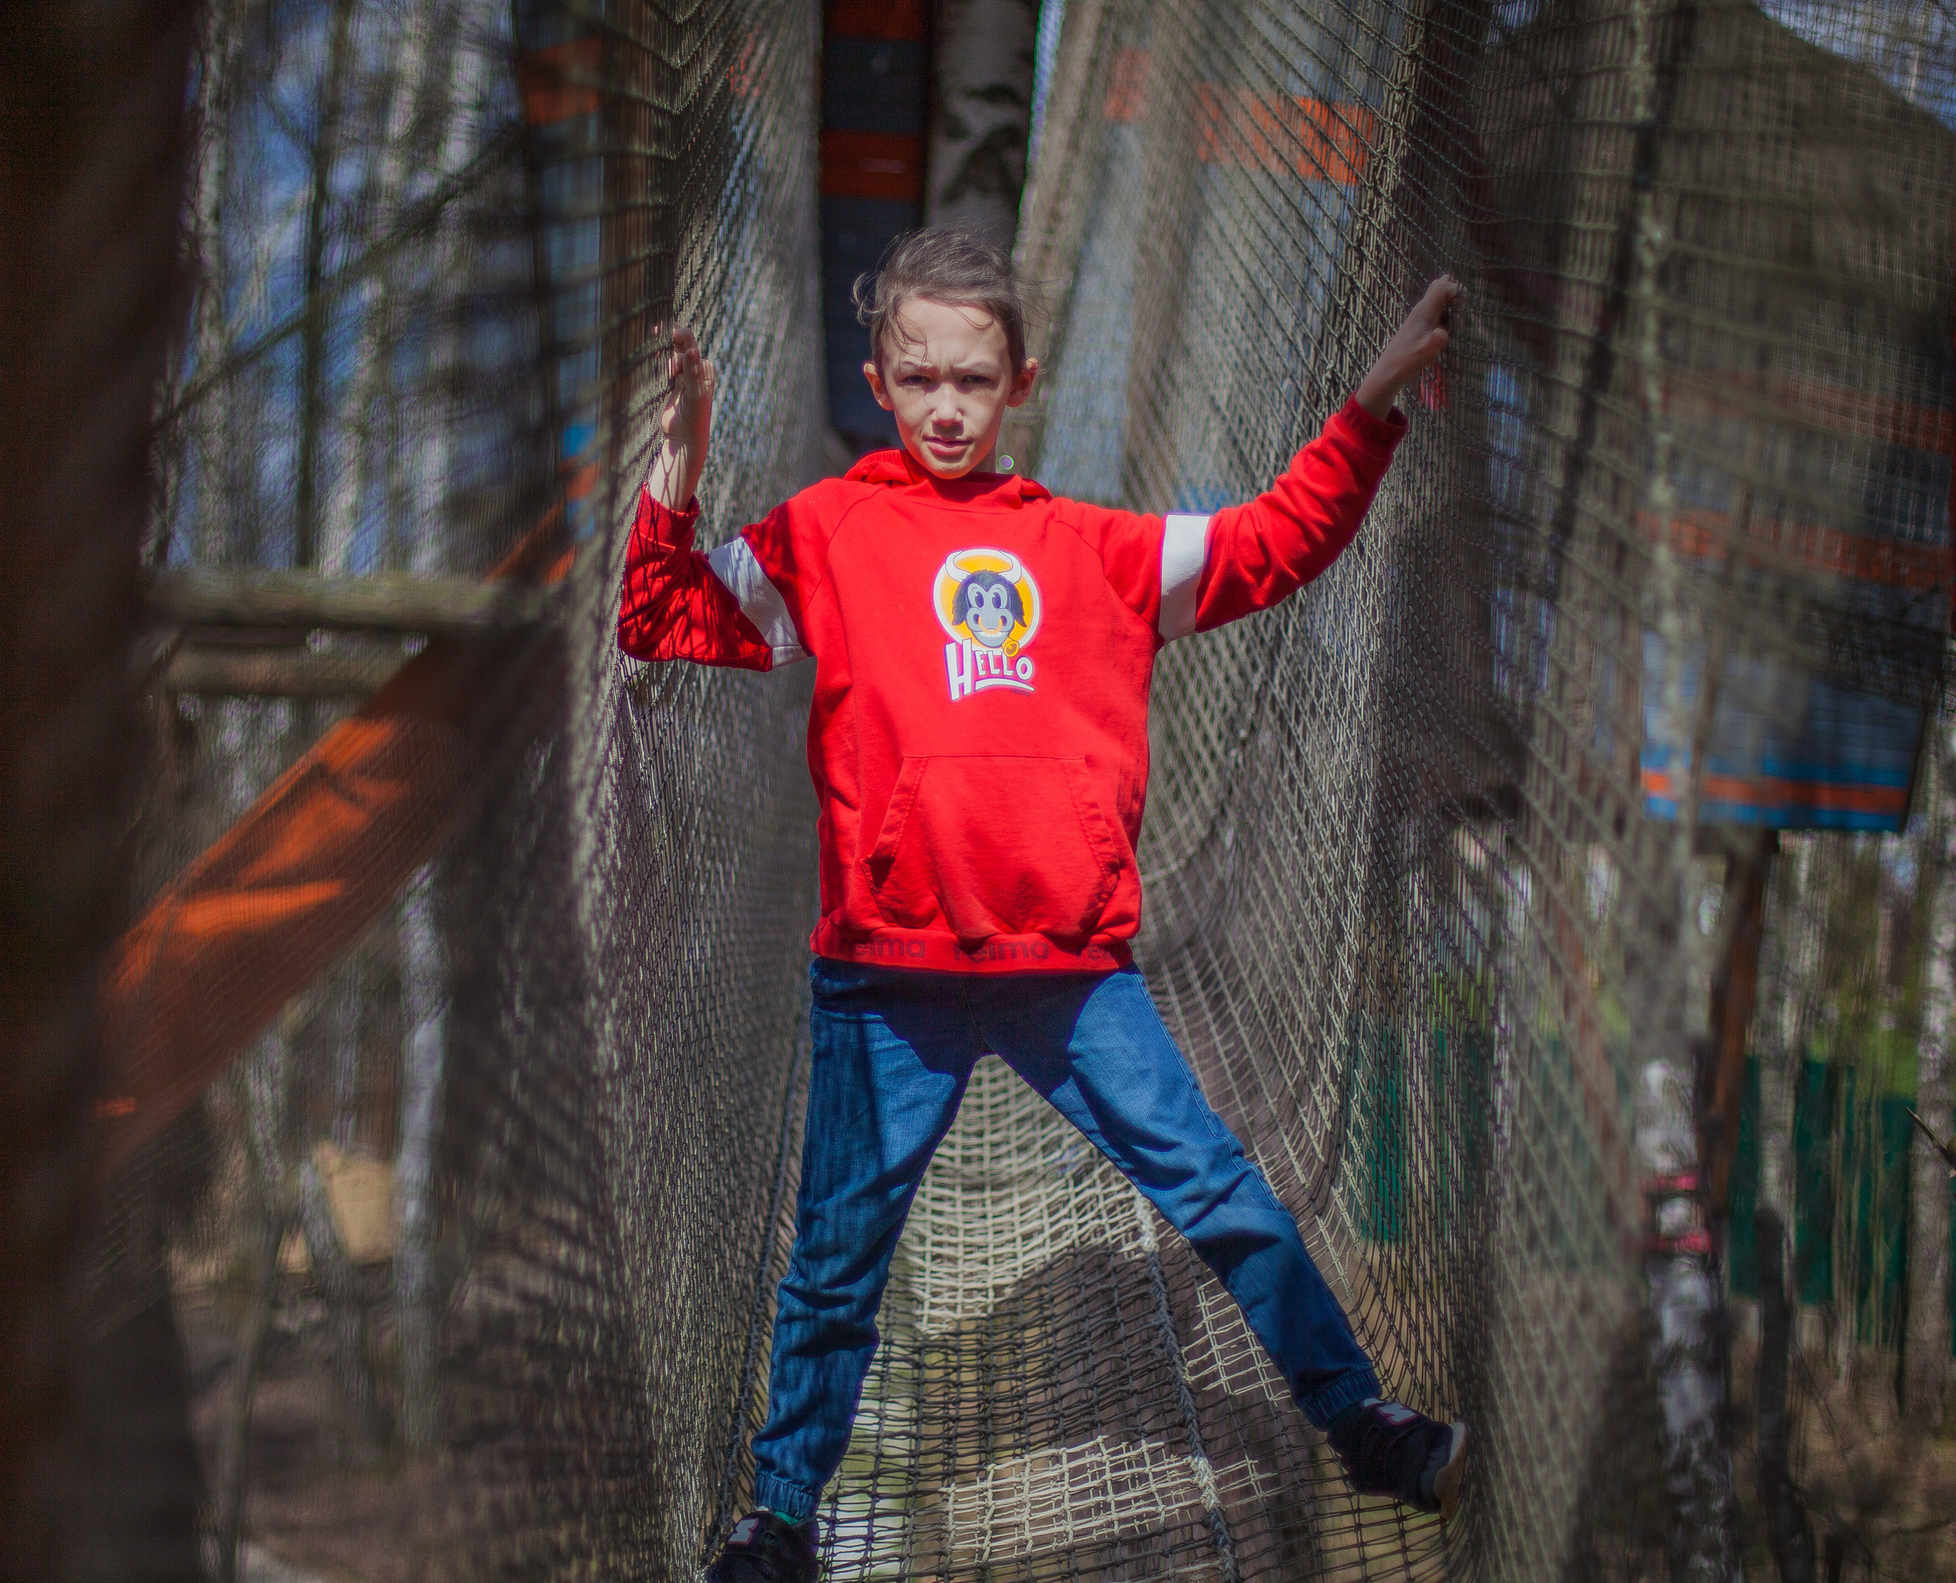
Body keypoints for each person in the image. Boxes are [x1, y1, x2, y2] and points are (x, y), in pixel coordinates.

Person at [619, 228, 1469, 1583]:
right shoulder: (828, 531)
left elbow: (1274, 541)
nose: (946, 407)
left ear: (1021, 382)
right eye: (918, 379)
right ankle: (779, 1519)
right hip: (886, 980)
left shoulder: (1094, 552)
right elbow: (658, 617)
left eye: (974, 378)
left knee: (1219, 1191)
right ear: (879, 384)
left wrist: (1367, 412)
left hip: (1070, 975)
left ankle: (1361, 1426)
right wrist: (681, 457)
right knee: (836, 1261)